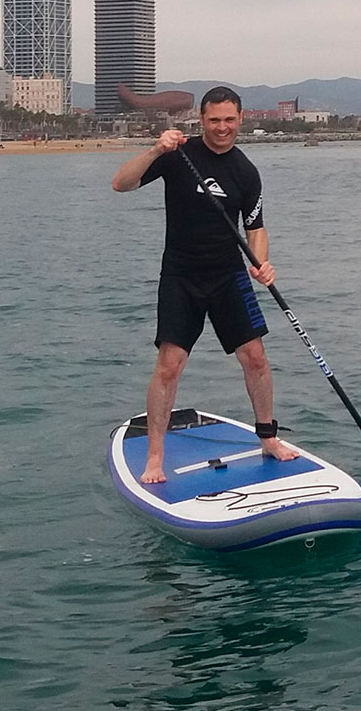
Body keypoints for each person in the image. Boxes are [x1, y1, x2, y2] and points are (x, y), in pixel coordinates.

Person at [112, 85, 299, 483]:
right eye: (214, 120)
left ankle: (267, 437)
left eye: (229, 120)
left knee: (255, 357)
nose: (222, 127)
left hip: (229, 276)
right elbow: (120, 184)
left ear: (241, 119)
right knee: (169, 366)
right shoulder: (178, 155)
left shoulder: (246, 171)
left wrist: (262, 264)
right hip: (181, 276)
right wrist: (155, 150)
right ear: (201, 120)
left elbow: (255, 226)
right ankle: (155, 458)